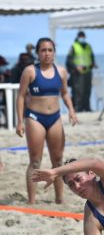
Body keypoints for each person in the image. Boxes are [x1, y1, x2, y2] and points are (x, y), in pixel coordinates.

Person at [16, 37, 78, 204]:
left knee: (58, 161)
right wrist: (20, 121)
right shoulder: (30, 71)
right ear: (37, 53)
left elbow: (65, 93)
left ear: (54, 52)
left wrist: (71, 111)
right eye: (43, 50)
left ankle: (59, 199)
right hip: (35, 118)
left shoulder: (62, 71)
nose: (47, 53)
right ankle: (32, 201)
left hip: (55, 118)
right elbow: (21, 96)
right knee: (35, 161)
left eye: (50, 50)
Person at [66, 31, 96, 112]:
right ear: (78, 37)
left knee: (87, 90)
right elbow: (69, 60)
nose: (82, 38)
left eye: (83, 36)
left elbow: (92, 57)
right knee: (78, 91)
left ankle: (87, 107)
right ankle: (77, 108)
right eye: (81, 36)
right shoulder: (74, 46)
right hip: (77, 73)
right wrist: (75, 67)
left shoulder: (88, 46)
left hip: (88, 71)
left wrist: (93, 64)